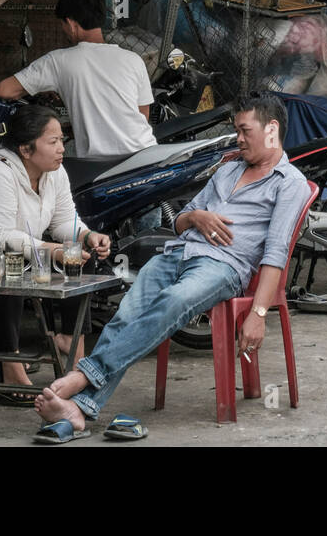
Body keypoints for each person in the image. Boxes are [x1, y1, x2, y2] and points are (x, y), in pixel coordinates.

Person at [32, 93, 310, 440]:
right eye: (236, 131)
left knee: (173, 302)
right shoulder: (228, 169)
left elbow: (276, 254)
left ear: (272, 130)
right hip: (178, 253)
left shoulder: (290, 183)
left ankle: (84, 377)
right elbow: (178, 221)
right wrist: (196, 215)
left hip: (223, 266)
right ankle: (81, 408)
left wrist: (258, 313)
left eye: (244, 130)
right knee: (128, 312)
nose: (238, 139)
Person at [0, 105, 111, 405]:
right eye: (52, 141)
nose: (60, 149)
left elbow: (64, 222)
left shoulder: (55, 173)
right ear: (26, 150)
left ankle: (72, 343)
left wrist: (86, 236)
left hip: (14, 249)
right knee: (11, 264)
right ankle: (7, 369)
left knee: (81, 256)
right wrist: (49, 250)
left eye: (60, 140)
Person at [0, 0, 156, 159]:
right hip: (145, 157)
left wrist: (43, 87)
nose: (64, 30)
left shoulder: (58, 61)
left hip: (98, 168)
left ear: (71, 24)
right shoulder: (133, 60)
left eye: (63, 24)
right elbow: (142, 115)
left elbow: (4, 90)